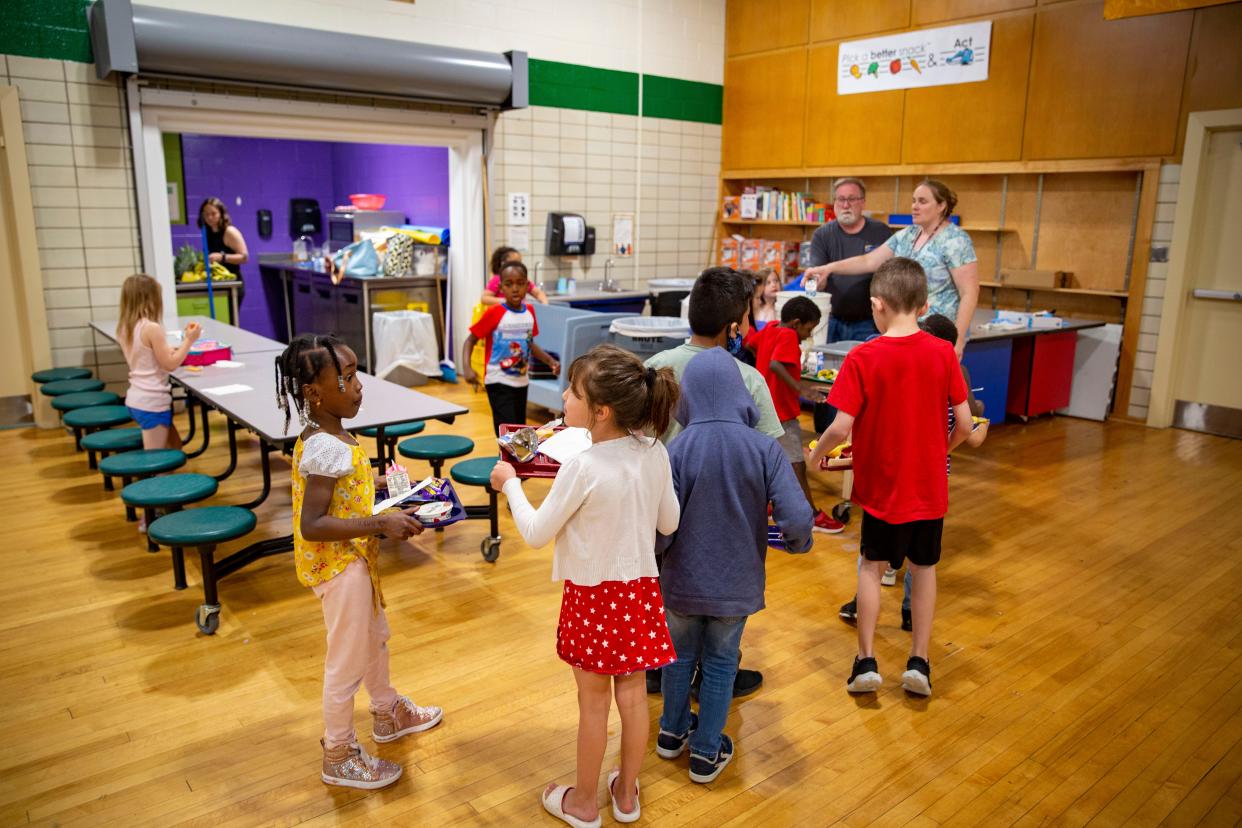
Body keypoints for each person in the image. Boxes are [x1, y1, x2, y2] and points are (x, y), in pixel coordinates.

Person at [490, 344, 681, 827]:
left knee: (593, 704)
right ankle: (626, 795)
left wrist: (509, 483)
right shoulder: (655, 452)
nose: (564, 398)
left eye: (573, 392)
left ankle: (581, 805)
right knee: (633, 697)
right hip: (639, 592)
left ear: (601, 411)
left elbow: (535, 534)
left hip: (593, 597)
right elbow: (668, 523)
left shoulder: (582, 466)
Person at [275, 334, 442, 789]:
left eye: (356, 375)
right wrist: (380, 525)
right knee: (346, 663)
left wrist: (387, 500)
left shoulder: (332, 433)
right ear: (314, 393)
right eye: (345, 379)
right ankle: (339, 752)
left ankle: (387, 712)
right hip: (340, 568)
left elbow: (344, 500)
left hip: (355, 561)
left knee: (374, 639)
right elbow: (313, 524)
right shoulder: (325, 446)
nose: (358, 387)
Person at [808, 258, 973, 697]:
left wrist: (816, 457)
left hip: (881, 489)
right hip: (929, 488)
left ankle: (866, 662)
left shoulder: (864, 355)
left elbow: (840, 427)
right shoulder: (943, 353)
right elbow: (967, 426)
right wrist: (940, 452)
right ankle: (919, 661)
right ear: (923, 305)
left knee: (870, 568)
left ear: (877, 305)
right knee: (924, 569)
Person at [656, 347, 814, 784]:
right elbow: (797, 517)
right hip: (735, 583)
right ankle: (706, 752)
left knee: (678, 657)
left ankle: (670, 734)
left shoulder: (678, 448)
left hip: (681, 582)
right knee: (722, 663)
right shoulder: (765, 448)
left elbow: (663, 523)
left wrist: (660, 555)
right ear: (737, 393)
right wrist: (799, 543)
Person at [644, 266, 786, 699]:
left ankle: (664, 667)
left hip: (658, 512)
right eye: (746, 319)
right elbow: (769, 454)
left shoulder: (653, 368)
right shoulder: (748, 379)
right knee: (722, 606)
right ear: (732, 327)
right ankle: (714, 672)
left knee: (669, 593)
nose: (748, 326)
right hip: (727, 520)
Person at [837, 312, 989, 631]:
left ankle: (868, 600)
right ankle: (907, 609)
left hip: (892, 477)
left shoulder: (906, 367)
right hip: (929, 479)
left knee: (876, 555)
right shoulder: (953, 371)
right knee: (921, 560)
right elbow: (971, 429)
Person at [804, 179, 980, 357]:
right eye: (913, 200)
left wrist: (958, 341)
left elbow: (970, 292)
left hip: (938, 336)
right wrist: (828, 268)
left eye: (922, 201)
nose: (914, 206)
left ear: (941, 206)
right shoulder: (908, 234)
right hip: (904, 333)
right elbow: (868, 261)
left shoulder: (956, 240)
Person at [747, 296, 843, 535]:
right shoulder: (789, 336)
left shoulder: (770, 329)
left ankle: (771, 504)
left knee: (770, 461)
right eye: (808, 329)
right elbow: (776, 365)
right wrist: (803, 389)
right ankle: (810, 514)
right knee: (797, 464)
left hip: (762, 408)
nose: (808, 336)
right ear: (796, 322)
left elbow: (751, 343)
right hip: (781, 413)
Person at [461, 260, 560, 437]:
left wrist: (549, 361)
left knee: (519, 432)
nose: (515, 289)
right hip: (497, 379)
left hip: (521, 380)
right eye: (509, 284)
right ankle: (504, 464)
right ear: (501, 287)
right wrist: (467, 369)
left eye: (520, 284)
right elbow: (470, 341)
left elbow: (529, 343)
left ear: (527, 286)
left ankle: (513, 465)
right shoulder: (495, 312)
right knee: (507, 433)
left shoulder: (529, 311)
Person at [116, 273, 202, 452]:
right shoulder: (152, 328)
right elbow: (170, 365)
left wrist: (172, 349)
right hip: (152, 402)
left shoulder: (125, 327)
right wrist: (189, 340)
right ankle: (153, 480)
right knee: (158, 462)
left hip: (136, 397)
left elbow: (145, 355)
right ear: (150, 299)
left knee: (175, 446)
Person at [807, 178, 893, 343]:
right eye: (841, 199)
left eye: (852, 199)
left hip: (869, 322)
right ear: (834, 203)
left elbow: (889, 274)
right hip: (831, 320)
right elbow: (818, 273)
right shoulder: (822, 235)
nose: (845, 205)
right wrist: (817, 282)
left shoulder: (881, 232)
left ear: (863, 203)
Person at [197, 197, 248, 279]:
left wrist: (222, 257)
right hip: (218, 280)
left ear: (221, 214)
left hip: (232, 280)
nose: (209, 217)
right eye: (206, 214)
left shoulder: (230, 231)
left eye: (213, 214)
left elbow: (244, 257)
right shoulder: (208, 232)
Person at [481, 246, 548, 305]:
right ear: (503, 264)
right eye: (514, 263)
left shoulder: (522, 280)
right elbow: (484, 298)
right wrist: (506, 301)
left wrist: (545, 304)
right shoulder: (498, 279)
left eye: (520, 262)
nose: (518, 266)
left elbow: (538, 293)